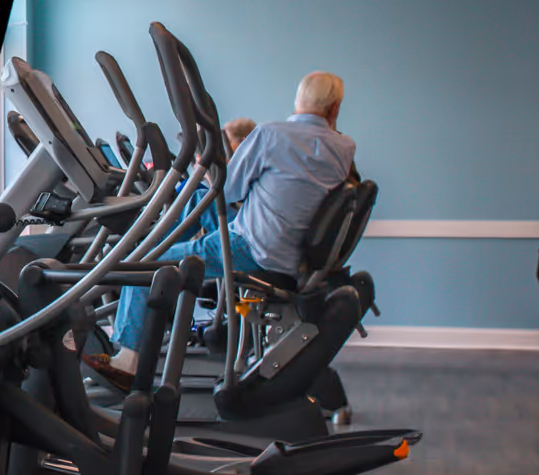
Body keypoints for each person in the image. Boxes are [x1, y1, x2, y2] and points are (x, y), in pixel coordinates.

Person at [110, 73, 355, 373]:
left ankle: (127, 361)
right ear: (335, 108)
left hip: (255, 247)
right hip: (290, 248)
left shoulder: (270, 135)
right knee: (194, 199)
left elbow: (227, 192)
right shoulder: (343, 148)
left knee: (147, 262)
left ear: (298, 101)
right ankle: (164, 265)